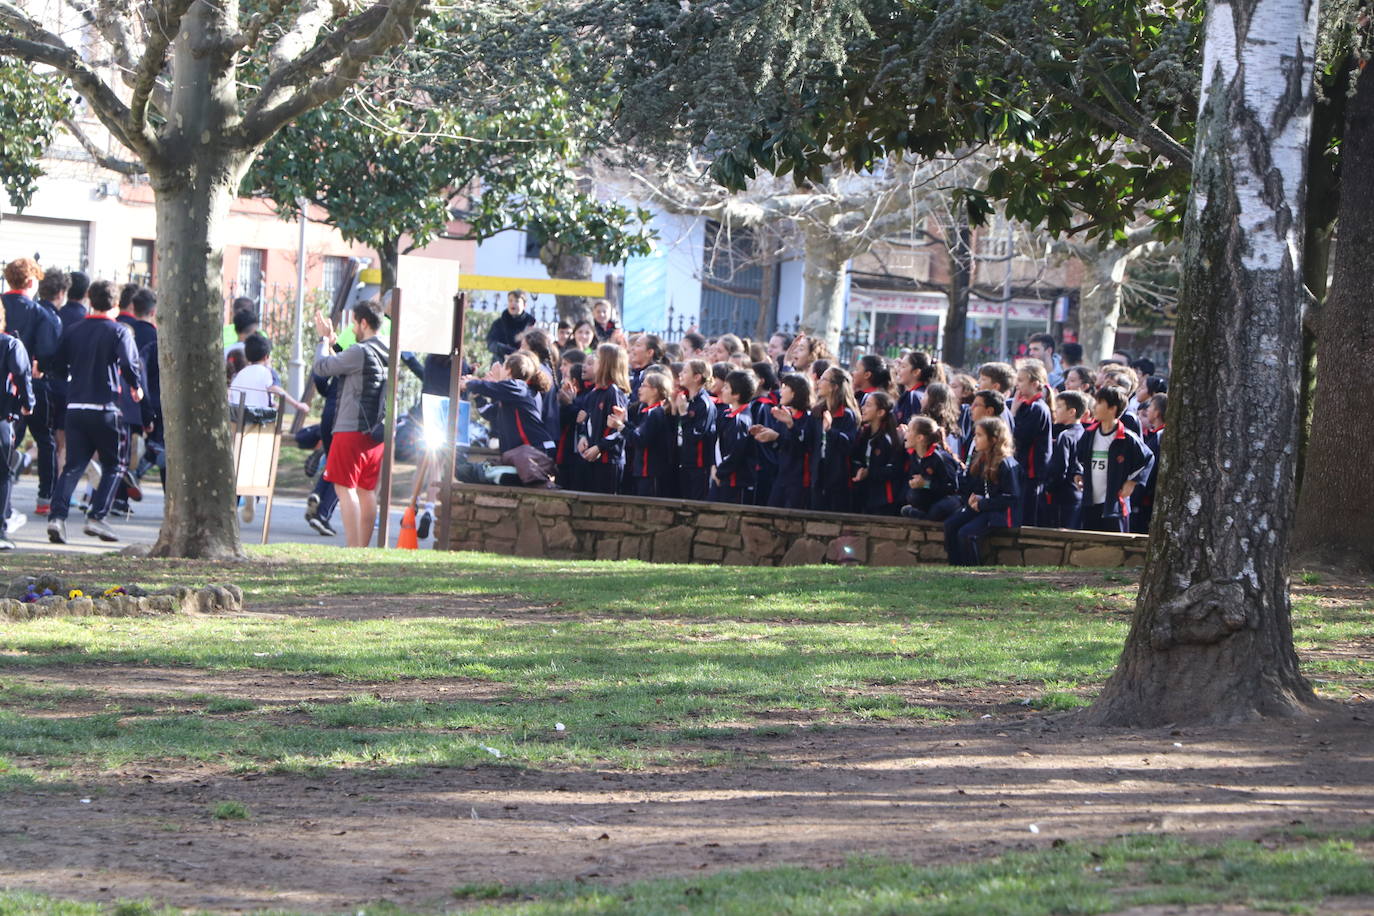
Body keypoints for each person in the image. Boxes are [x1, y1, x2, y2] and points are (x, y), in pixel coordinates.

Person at [44, 280, 143, 544]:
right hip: (105, 407)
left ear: (90, 298)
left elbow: (57, 364)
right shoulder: (119, 331)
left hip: (75, 407)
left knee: (73, 466)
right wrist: (136, 387)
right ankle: (97, 516)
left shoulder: (74, 330)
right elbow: (128, 362)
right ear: (116, 303)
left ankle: (57, 517)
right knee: (116, 464)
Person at [312, 303, 389, 548]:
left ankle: (353, 549)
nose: (353, 327)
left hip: (351, 428)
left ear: (364, 323)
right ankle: (363, 550)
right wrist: (334, 343)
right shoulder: (387, 349)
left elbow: (322, 367)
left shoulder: (360, 351)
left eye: (354, 323)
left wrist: (323, 341)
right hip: (376, 433)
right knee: (367, 491)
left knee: (345, 489)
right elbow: (350, 367)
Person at [1071, 385, 1154, 533]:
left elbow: (1148, 459)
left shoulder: (1127, 438)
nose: (1094, 407)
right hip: (1090, 503)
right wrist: (1078, 473)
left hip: (1115, 506)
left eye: (1099, 403)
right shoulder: (1089, 434)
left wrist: (1133, 482)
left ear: (1112, 409)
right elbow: (1078, 457)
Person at [943, 417, 1021, 565]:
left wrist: (983, 503)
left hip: (1001, 512)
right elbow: (973, 486)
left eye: (979, 435)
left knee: (966, 533)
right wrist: (972, 498)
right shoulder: (980, 459)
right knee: (950, 525)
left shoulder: (1006, 464)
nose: (975, 439)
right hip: (983, 507)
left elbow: (1011, 497)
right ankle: (955, 567)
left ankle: (973, 571)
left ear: (993, 439)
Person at [0, 305, 36, 550]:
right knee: (3, 474)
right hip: (2, 417)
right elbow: (23, 375)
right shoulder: (11, 345)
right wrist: (27, 403)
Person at [574, 342, 628, 494]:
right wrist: (583, 437)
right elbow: (588, 421)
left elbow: (619, 429)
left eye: (597, 358)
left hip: (608, 461)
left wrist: (599, 447)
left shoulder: (614, 392)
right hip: (591, 457)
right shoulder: (594, 392)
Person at [609, 370, 674, 497]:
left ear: (655, 390)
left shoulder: (656, 413)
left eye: (644, 386)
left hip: (650, 472)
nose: (640, 389)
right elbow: (639, 432)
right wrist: (625, 422)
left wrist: (620, 427)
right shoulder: (649, 411)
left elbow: (640, 440)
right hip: (643, 471)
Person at [753, 372, 812, 510]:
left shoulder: (808, 418)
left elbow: (802, 447)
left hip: (799, 480)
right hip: (781, 476)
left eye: (785, 387)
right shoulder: (783, 415)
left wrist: (790, 426)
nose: (781, 392)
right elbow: (780, 443)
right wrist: (765, 433)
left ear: (796, 392)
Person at [1011, 360, 1054, 527]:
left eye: (1021, 380)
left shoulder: (1037, 408)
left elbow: (1020, 436)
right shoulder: (1027, 406)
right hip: (1023, 469)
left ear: (1035, 383)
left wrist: (1013, 413)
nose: (1017, 385)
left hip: (1031, 470)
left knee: (1028, 515)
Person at [810, 366, 859, 513]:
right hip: (819, 471)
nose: (819, 382)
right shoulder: (817, 411)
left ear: (834, 387)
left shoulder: (847, 415)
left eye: (824, 379)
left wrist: (830, 430)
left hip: (838, 475)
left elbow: (848, 444)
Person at [1041, 390, 1090, 529]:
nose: (1056, 410)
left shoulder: (1065, 436)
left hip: (1062, 496)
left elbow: (1060, 467)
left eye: (1060, 406)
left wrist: (1048, 487)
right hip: (1078, 494)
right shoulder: (1085, 433)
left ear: (1072, 412)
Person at [852, 390, 903, 515]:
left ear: (880, 412)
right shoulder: (864, 435)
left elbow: (894, 469)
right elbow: (856, 458)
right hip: (866, 494)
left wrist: (869, 472)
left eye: (868, 405)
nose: (863, 408)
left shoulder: (888, 439)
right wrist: (859, 469)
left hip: (884, 498)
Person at [900, 416, 961, 521]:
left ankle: (926, 516)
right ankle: (925, 514)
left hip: (952, 497)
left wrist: (926, 484)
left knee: (937, 511)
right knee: (913, 495)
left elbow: (953, 487)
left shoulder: (940, 458)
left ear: (920, 438)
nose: (905, 435)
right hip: (933, 495)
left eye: (909, 431)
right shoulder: (914, 455)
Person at [709, 369, 756, 504]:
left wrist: (720, 472)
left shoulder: (741, 420)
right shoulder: (726, 414)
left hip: (734, 481)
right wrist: (713, 465)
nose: (722, 390)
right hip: (720, 475)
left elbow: (736, 453)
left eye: (727, 387)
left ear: (736, 394)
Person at [674, 359, 716, 500]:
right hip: (683, 460)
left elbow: (696, 435)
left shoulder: (704, 404)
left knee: (694, 502)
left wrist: (684, 414)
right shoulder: (685, 398)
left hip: (698, 464)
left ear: (697, 377)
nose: (681, 374)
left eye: (685, 372)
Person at [1132, 393, 1167, 534]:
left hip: (1147, 500)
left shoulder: (1161, 436)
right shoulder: (1156, 435)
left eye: (1151, 407)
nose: (1148, 411)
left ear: (1157, 412)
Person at [486, 289, 537, 362]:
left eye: (517, 301)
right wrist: (508, 350)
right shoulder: (498, 323)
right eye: (510, 300)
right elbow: (491, 344)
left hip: (522, 363)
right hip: (501, 363)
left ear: (524, 305)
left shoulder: (530, 324)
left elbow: (535, 347)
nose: (513, 303)